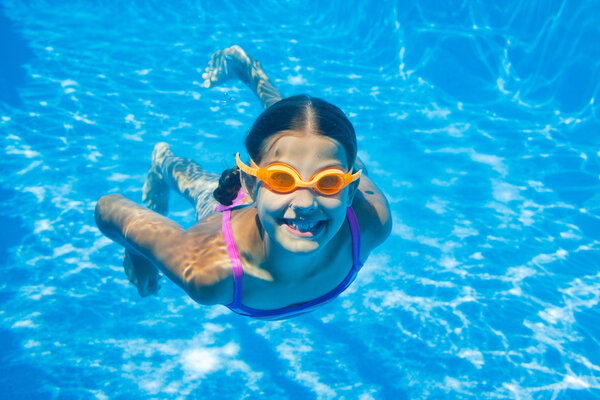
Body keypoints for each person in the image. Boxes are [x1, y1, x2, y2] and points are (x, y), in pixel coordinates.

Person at [95, 45, 392, 320]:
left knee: (301, 136)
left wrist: (309, 175)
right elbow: (108, 208)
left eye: (328, 182)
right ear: (250, 184)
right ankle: (163, 161)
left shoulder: (371, 224)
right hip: (228, 211)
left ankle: (252, 75)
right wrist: (139, 254)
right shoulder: (209, 269)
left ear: (351, 190)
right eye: (281, 178)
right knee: (200, 184)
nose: (306, 203)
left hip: (296, 187)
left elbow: (328, 159)